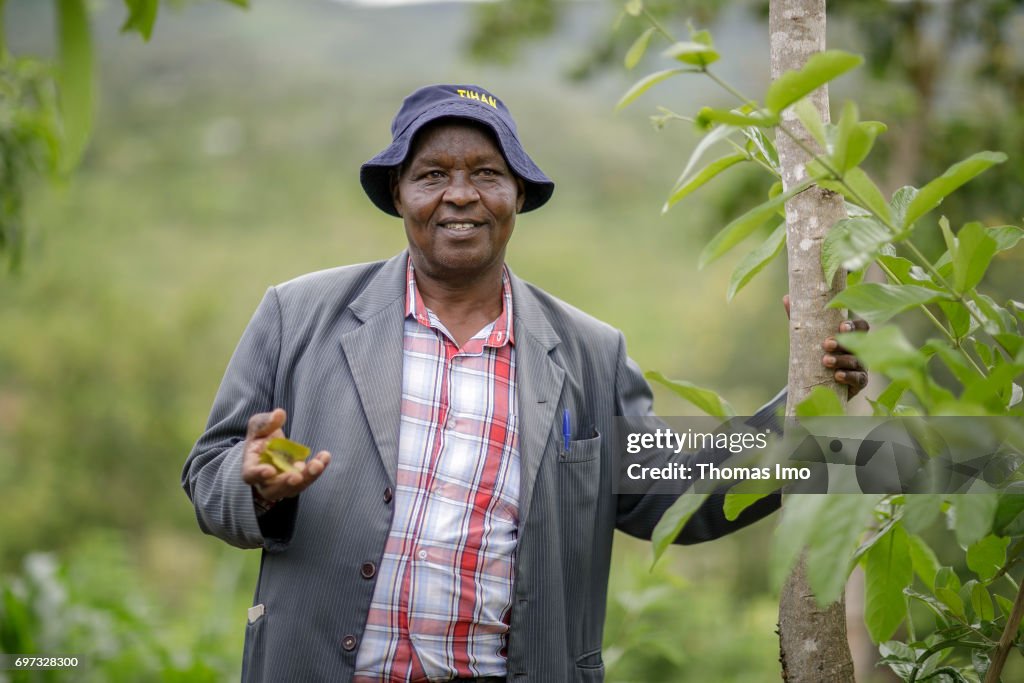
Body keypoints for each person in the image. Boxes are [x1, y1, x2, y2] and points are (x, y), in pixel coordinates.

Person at [182, 84, 868, 683]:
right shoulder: (298, 315)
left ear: (518, 195)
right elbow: (211, 471)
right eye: (431, 174)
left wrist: (812, 391)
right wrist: (257, 487)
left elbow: (676, 490)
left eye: (485, 172)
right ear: (399, 194)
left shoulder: (588, 354)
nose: (459, 193)